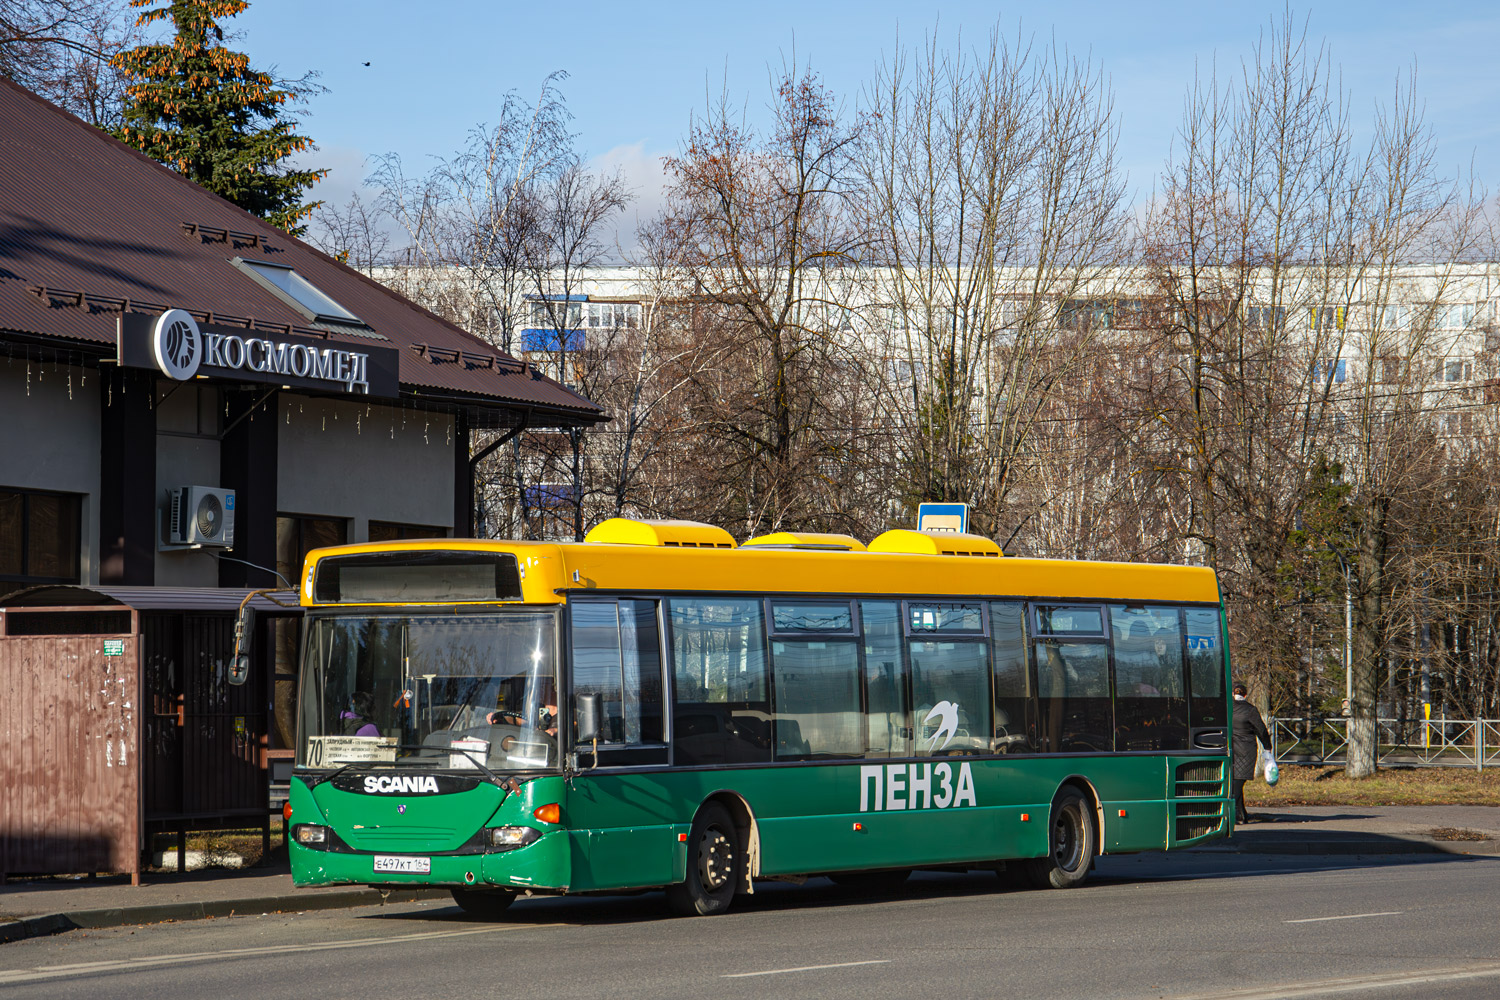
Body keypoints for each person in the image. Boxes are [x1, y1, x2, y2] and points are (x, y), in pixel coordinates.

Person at [1231, 681, 1272, 824]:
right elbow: (1260, 729)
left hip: (1231, 749)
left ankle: (1242, 815)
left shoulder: (1227, 709)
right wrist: (1268, 746)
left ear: (1232, 694)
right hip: (1246, 750)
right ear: (1245, 694)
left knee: (1236, 781)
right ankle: (1234, 815)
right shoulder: (1250, 710)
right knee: (1237, 783)